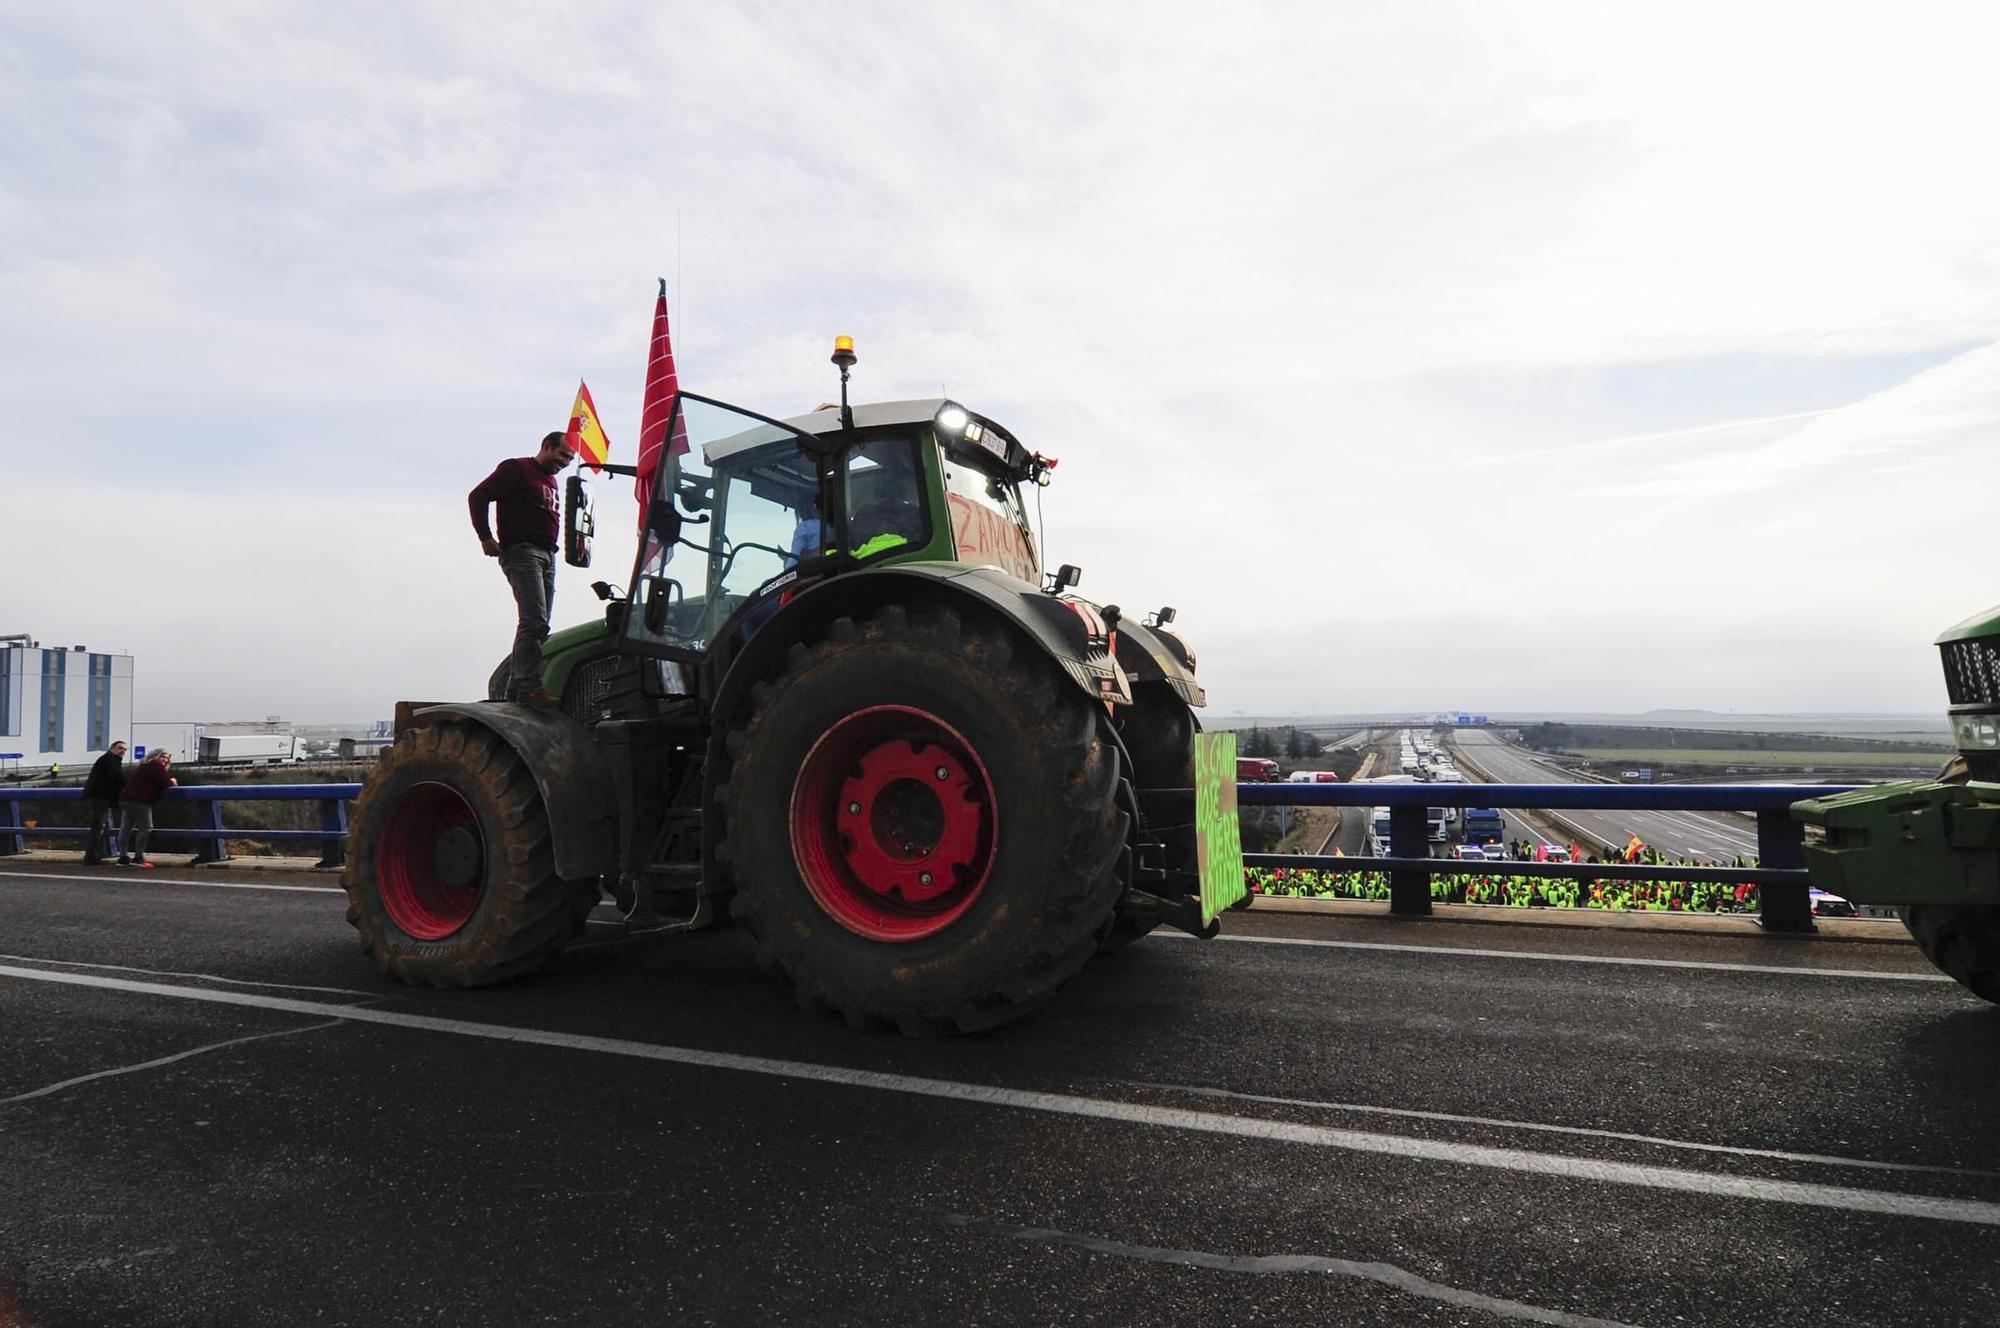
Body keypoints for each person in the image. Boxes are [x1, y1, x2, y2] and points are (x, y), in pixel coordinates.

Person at [469, 431, 574, 703]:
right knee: (533, 620)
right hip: (522, 550)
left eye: (570, 459)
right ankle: (527, 685)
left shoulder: (551, 481)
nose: (565, 462)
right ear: (546, 446)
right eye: (562, 454)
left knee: (540, 625)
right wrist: (485, 536)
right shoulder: (517, 468)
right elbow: (478, 495)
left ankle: (516, 688)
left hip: (548, 555)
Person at [116, 750, 176, 868]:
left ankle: (123, 857)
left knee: (126, 828)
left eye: (167, 758)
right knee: (146, 828)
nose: (165, 760)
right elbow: (165, 783)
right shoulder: (155, 765)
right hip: (140, 800)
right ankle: (138, 858)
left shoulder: (144, 766)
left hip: (125, 798)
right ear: (155, 756)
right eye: (163, 757)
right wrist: (172, 781)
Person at [81, 740, 127, 864]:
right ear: (112, 748)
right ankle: (92, 857)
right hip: (99, 798)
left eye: (124, 749)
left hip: (98, 797)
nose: (122, 751)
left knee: (99, 827)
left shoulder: (108, 759)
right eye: (120, 748)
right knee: (98, 827)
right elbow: (117, 778)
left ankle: (94, 855)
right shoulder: (111, 761)